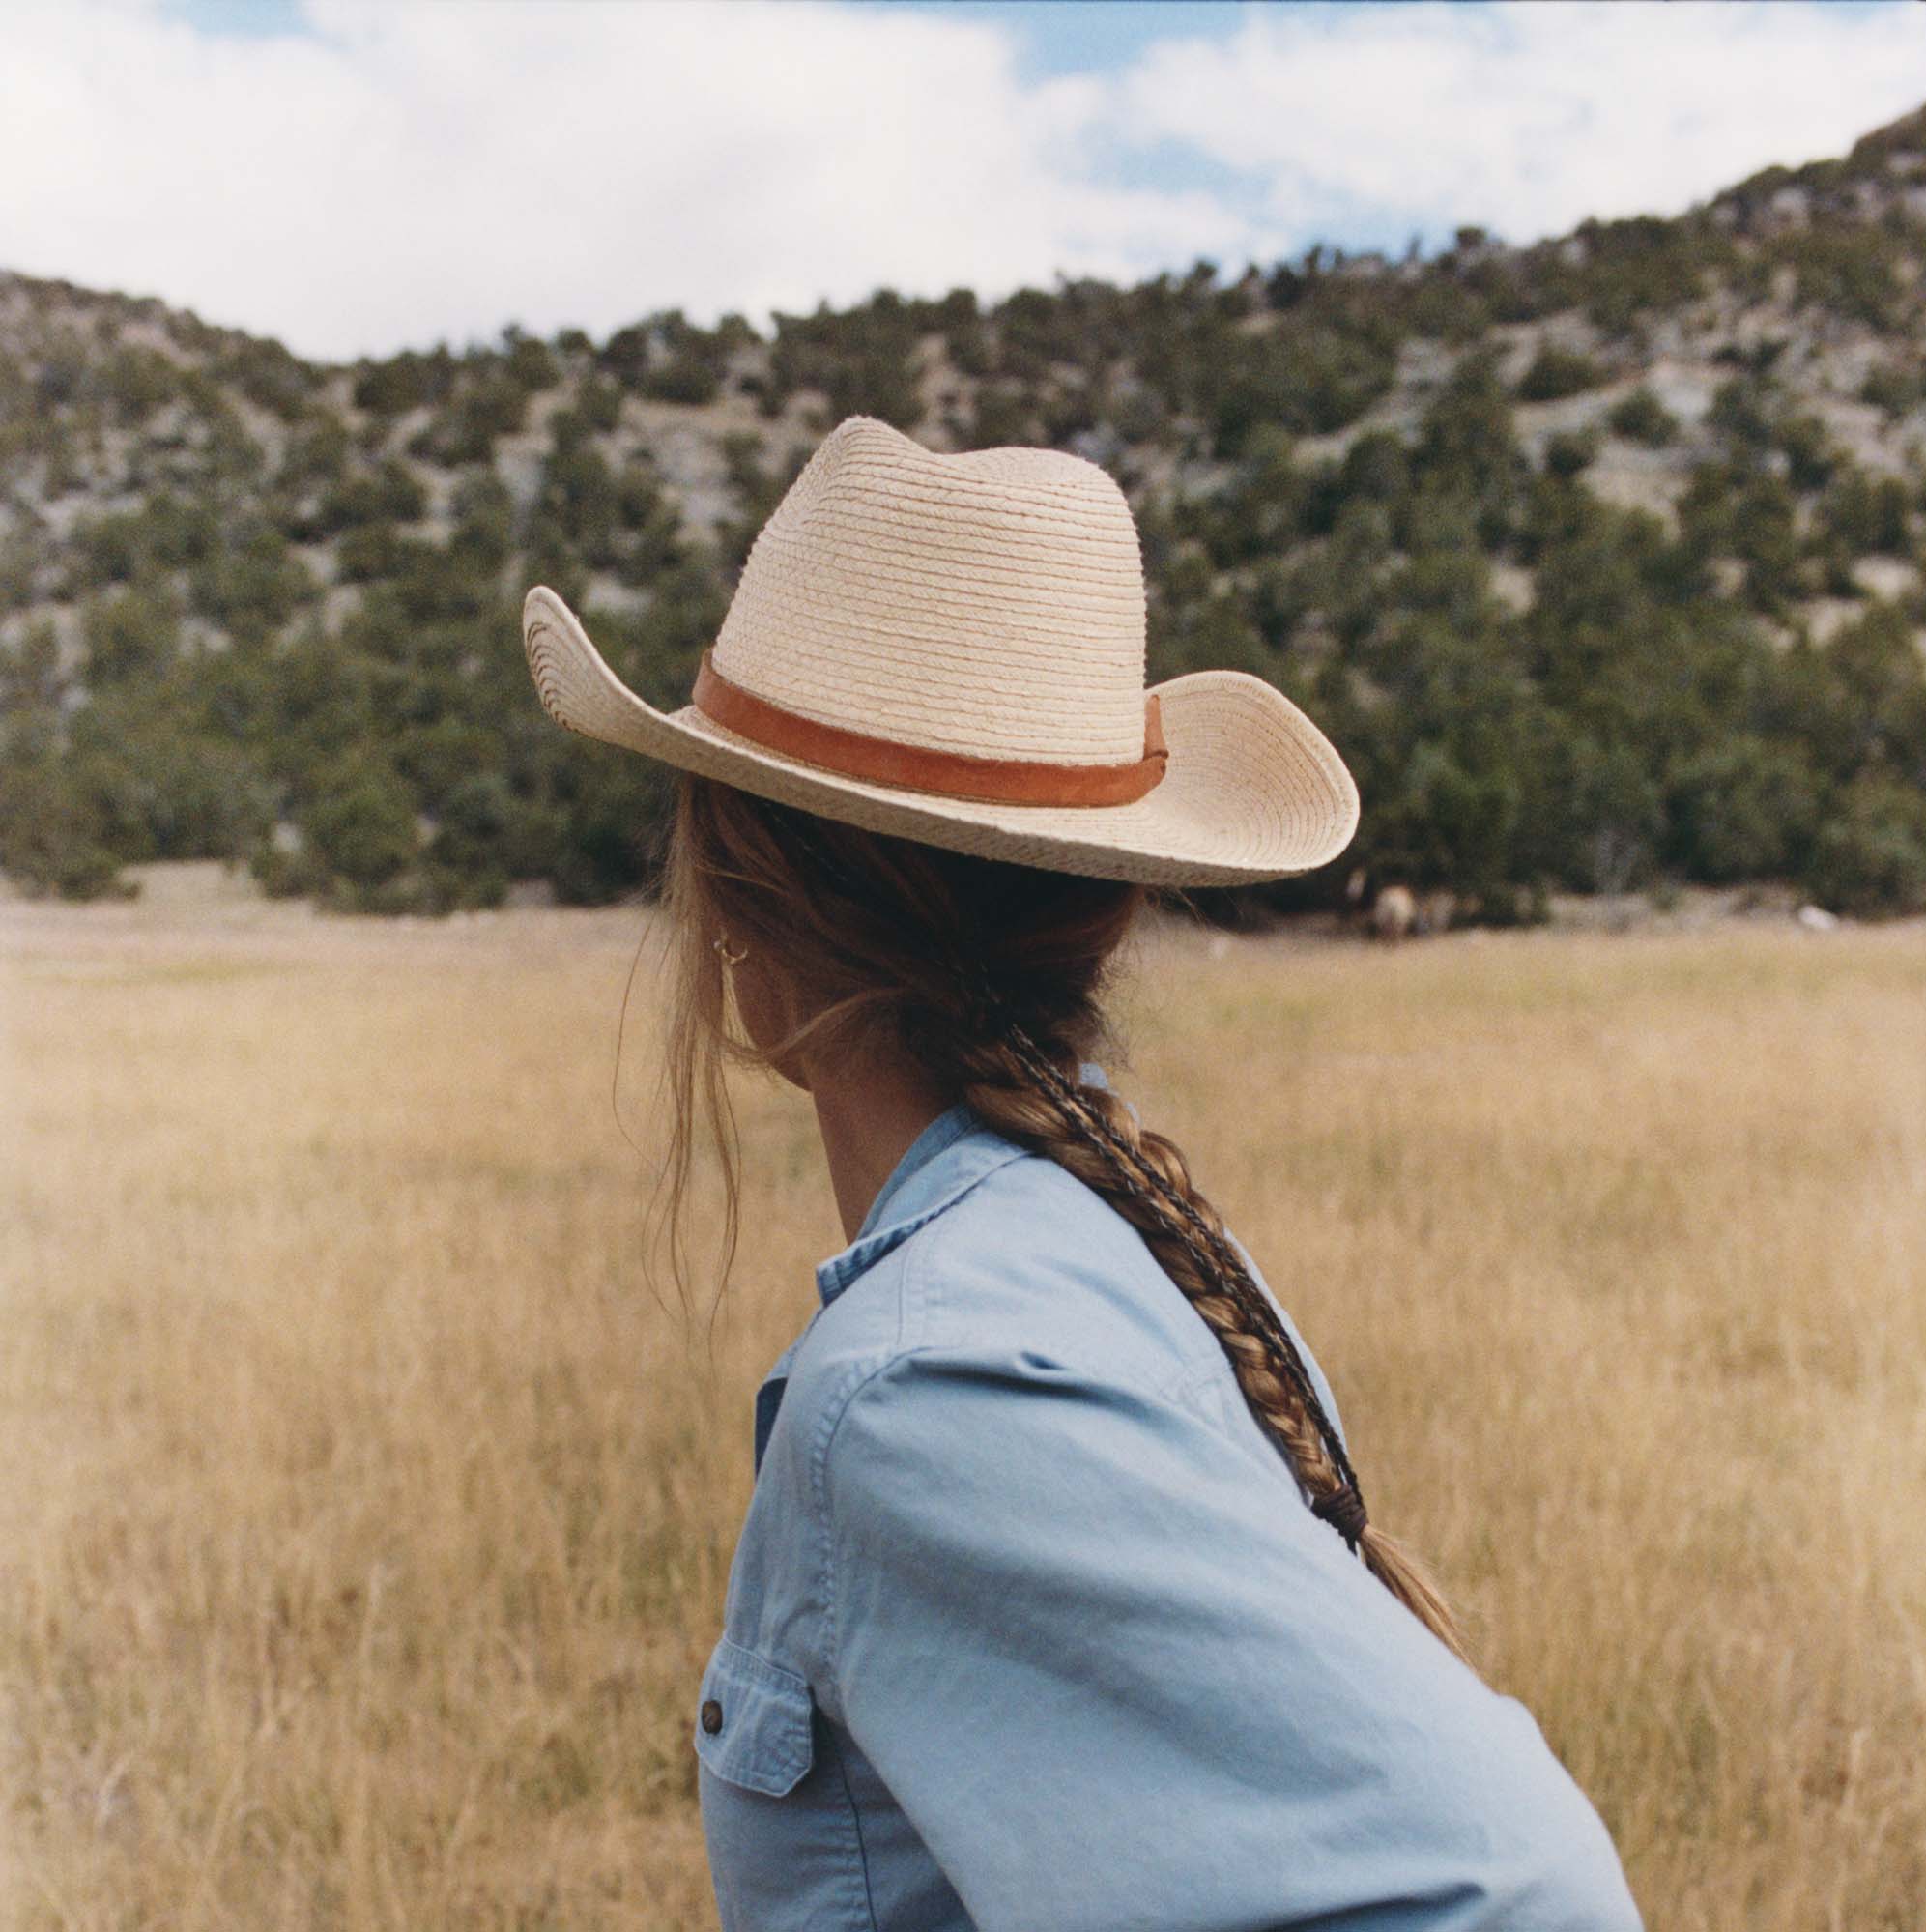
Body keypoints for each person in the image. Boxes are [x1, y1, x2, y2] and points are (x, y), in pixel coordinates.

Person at [519, 416, 1643, 1931]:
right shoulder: (1103, 1243)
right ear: (1102, 918)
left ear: (743, 905)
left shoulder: (920, 1388)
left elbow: (1514, 1896)